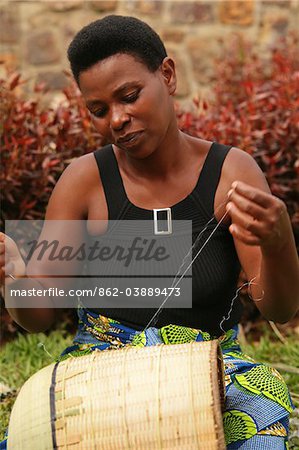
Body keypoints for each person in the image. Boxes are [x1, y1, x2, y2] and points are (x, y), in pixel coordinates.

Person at [1, 15, 298, 450]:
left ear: (168, 75)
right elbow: (40, 314)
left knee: (262, 420)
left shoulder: (230, 173)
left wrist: (278, 243)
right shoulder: (84, 181)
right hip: (100, 373)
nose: (117, 119)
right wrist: (16, 281)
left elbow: (279, 308)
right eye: (99, 110)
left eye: (130, 96)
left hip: (207, 372)